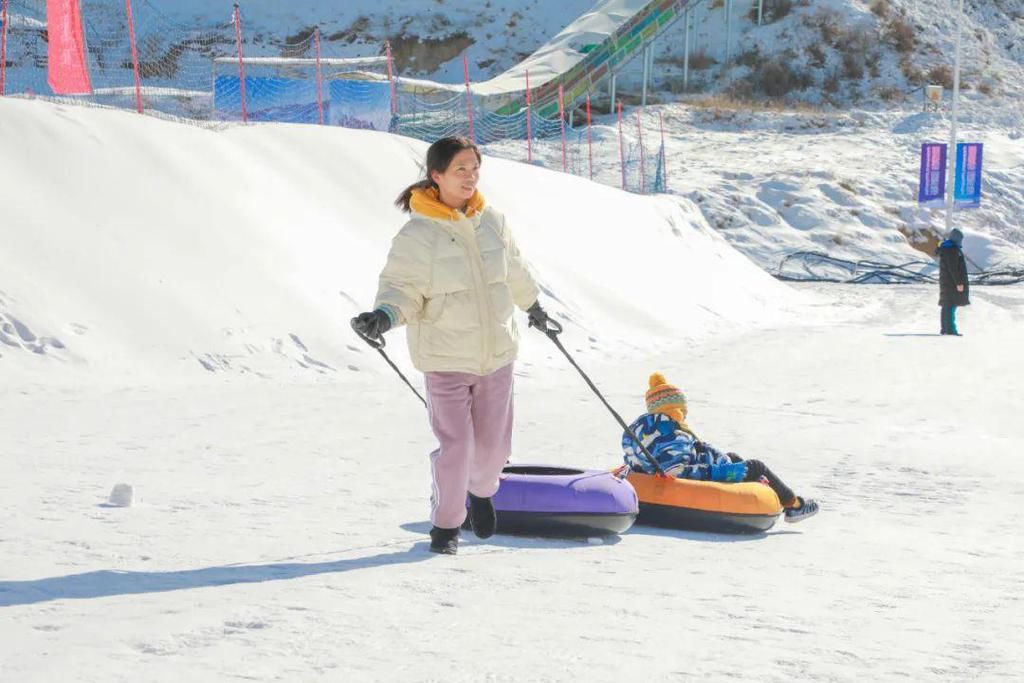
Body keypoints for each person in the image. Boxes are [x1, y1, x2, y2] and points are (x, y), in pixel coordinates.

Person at [352, 137, 549, 555]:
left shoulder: (492, 220)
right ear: (436, 175)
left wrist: (534, 306)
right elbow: (401, 288)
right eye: (460, 169)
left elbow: (513, 268)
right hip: (445, 359)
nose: (470, 176)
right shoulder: (418, 234)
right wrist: (383, 316)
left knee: (494, 451)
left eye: (474, 168)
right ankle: (445, 526)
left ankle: (481, 492)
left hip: (496, 356)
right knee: (457, 446)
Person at [622, 373, 819, 523]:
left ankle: (757, 482)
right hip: (690, 479)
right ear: (676, 409)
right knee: (756, 465)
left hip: (648, 476)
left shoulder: (640, 429)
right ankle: (794, 505)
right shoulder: (672, 432)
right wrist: (720, 471)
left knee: (732, 456)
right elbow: (677, 471)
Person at [937, 228, 970, 335]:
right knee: (950, 305)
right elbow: (953, 268)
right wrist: (959, 283)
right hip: (951, 283)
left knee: (947, 305)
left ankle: (945, 329)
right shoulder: (952, 250)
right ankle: (950, 330)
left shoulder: (948, 248)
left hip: (947, 282)